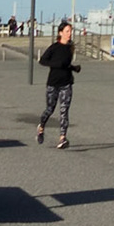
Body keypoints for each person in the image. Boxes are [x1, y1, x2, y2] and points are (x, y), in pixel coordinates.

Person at [36, 20, 82, 148]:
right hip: (53, 83)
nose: (69, 34)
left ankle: (62, 138)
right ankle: (41, 127)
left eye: (70, 32)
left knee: (64, 111)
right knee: (50, 109)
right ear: (60, 33)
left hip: (66, 83)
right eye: (67, 32)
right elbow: (42, 61)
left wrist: (74, 68)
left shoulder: (70, 47)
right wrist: (56, 65)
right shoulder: (54, 47)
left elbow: (65, 64)